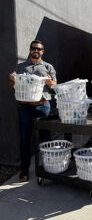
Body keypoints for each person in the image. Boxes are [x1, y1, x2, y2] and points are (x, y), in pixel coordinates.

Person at [9, 40, 57, 182]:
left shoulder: (48, 67)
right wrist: (12, 80)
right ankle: (24, 171)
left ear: (43, 51)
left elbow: (55, 85)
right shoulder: (21, 67)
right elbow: (12, 86)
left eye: (39, 48)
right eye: (33, 48)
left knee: (46, 139)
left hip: (43, 106)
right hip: (25, 107)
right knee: (25, 140)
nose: (36, 50)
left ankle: (48, 169)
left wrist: (50, 83)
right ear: (30, 50)